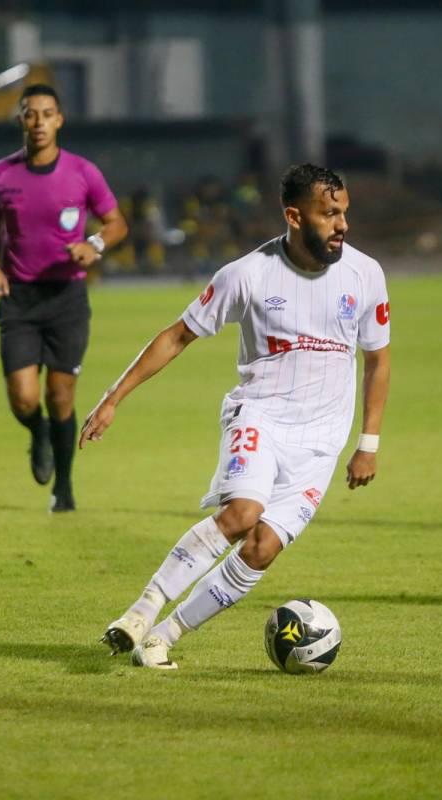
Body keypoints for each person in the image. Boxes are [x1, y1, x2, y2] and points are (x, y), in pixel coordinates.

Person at [80, 164, 391, 670]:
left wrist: (368, 443)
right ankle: (142, 611)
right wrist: (115, 396)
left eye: (344, 213)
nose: (342, 225)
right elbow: (178, 334)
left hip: (320, 445)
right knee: (243, 515)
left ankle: (162, 637)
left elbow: (378, 359)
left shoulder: (365, 274)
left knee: (263, 547)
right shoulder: (247, 274)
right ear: (294, 215)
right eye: (329, 214)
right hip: (261, 417)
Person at [0, 83, 128, 512]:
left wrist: (94, 246)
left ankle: (63, 488)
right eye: (31, 114)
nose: (39, 121)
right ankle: (37, 432)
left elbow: (116, 223)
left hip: (67, 297)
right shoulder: (0, 175)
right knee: (25, 399)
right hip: (20, 298)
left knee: (60, 397)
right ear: (21, 121)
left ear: (59, 120)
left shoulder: (82, 172)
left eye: (47, 113)